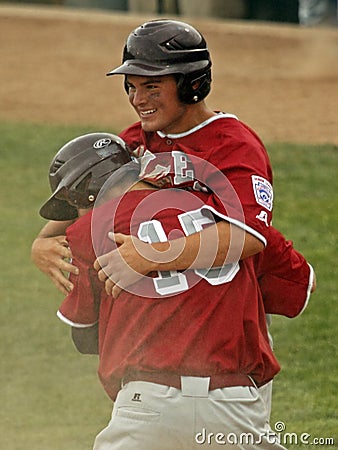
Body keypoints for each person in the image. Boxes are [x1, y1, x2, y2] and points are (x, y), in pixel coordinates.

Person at [38, 131, 315, 449]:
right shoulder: (237, 228)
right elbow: (303, 287)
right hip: (237, 410)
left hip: (147, 407)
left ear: (87, 193)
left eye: (74, 207)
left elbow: (85, 337)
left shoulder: (89, 230)